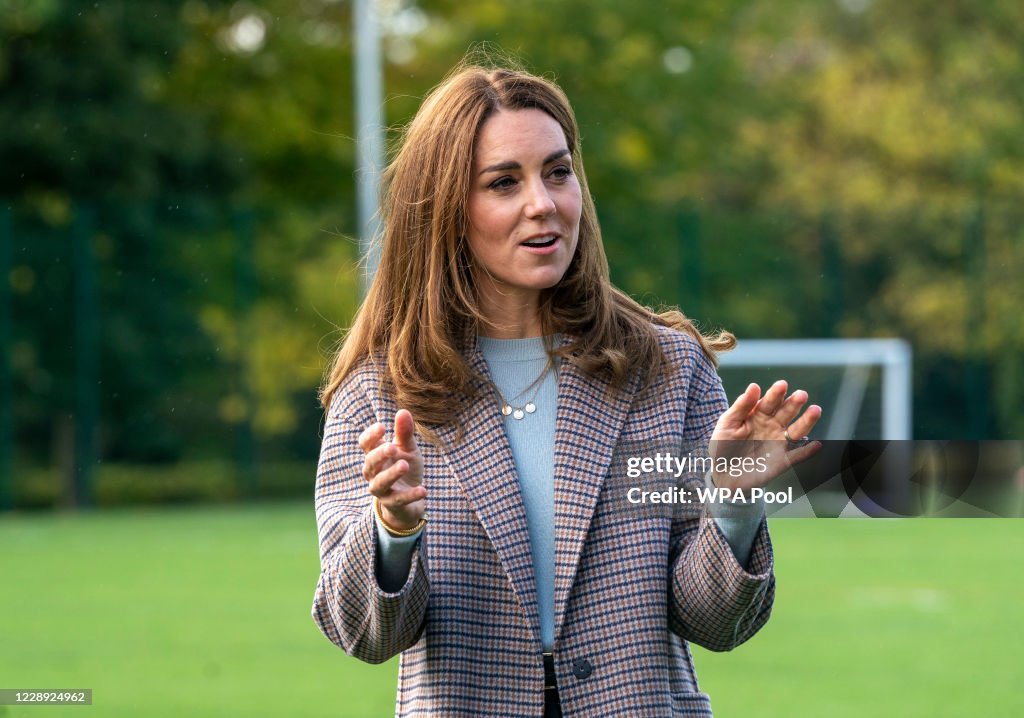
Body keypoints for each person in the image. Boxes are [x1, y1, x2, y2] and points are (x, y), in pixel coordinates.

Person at [311, 60, 822, 717]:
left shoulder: (666, 370)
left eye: (558, 171)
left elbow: (717, 623)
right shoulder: (382, 392)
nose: (543, 203)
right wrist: (392, 534)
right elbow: (361, 634)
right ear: (446, 209)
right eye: (503, 182)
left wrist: (734, 509)